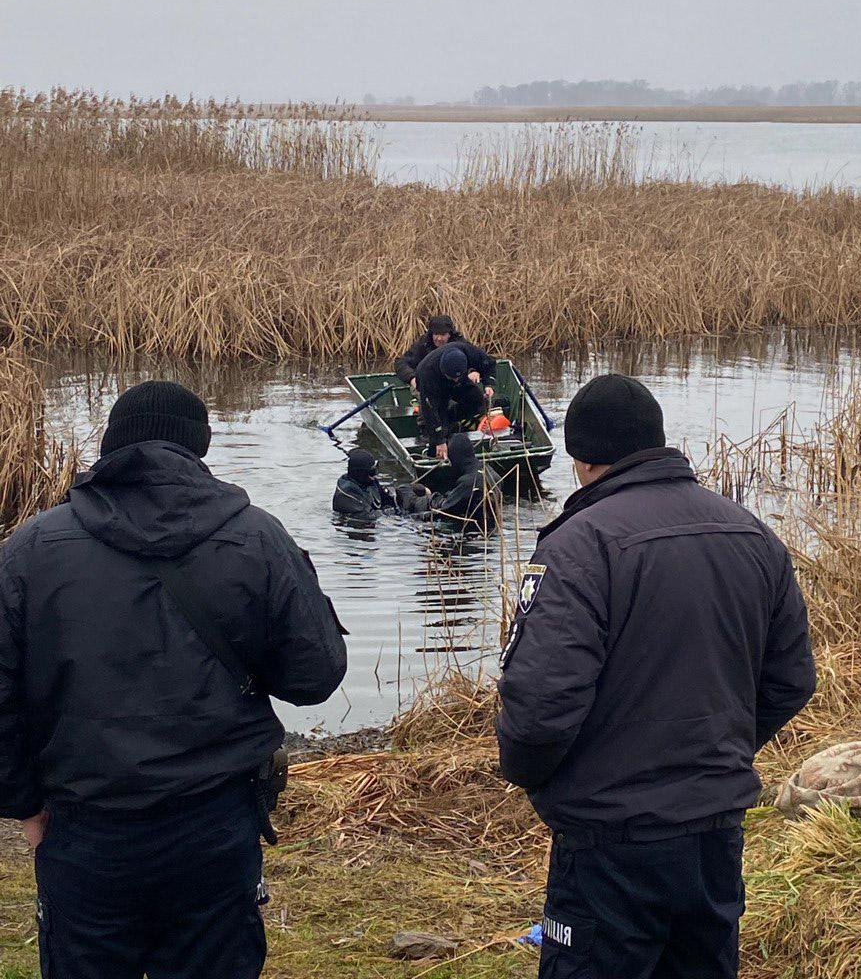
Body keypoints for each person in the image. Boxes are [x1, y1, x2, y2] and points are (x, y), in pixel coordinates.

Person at [0, 380, 348, 979]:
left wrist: (24, 805)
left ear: (111, 446)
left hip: (85, 830)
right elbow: (314, 676)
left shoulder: (30, 549)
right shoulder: (257, 537)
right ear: (199, 447)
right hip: (213, 824)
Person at [497, 373, 816, 979]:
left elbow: (538, 709)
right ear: (659, 440)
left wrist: (536, 780)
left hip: (608, 840)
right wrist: (717, 751)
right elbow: (792, 678)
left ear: (581, 459)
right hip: (713, 831)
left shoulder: (578, 546)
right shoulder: (750, 533)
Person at [416, 340, 497, 459]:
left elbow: (489, 364)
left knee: (477, 401)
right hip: (437, 385)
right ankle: (438, 428)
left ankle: (449, 420)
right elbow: (430, 410)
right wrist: (439, 440)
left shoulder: (468, 351)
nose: (454, 380)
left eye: (456, 377)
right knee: (437, 416)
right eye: (452, 378)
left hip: (461, 380)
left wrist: (488, 384)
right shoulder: (427, 373)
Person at [401, 434, 500, 529]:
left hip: (470, 528)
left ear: (455, 457)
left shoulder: (468, 482)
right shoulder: (492, 474)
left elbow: (444, 508)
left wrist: (428, 495)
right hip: (487, 524)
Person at [395, 313, 463, 388]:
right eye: (436, 334)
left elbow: (475, 358)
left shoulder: (460, 344)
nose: (439, 338)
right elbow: (401, 362)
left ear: (449, 334)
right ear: (431, 334)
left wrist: (473, 371)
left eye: (443, 334)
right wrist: (412, 378)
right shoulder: (424, 344)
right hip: (429, 384)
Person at [332, 448, 398, 517]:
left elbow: (386, 497)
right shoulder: (346, 497)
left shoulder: (368, 481)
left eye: (376, 470)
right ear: (360, 473)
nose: (375, 475)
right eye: (372, 472)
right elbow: (368, 516)